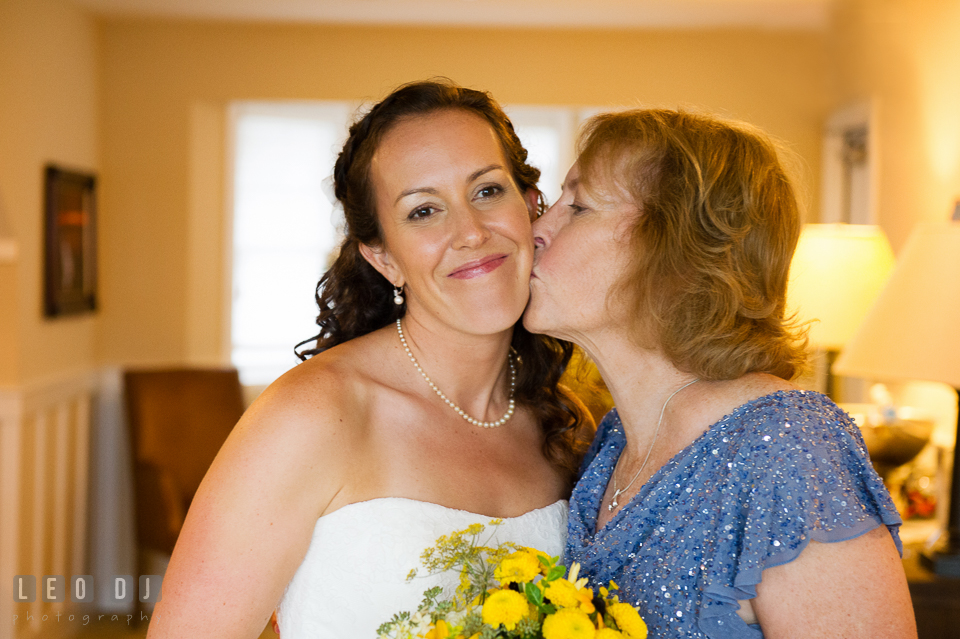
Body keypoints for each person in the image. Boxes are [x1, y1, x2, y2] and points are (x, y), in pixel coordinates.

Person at [147, 80, 589, 639]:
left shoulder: (563, 419)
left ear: (530, 208)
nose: (471, 233)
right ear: (383, 258)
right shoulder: (311, 416)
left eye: (486, 192)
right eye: (424, 210)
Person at [524, 109, 916, 638]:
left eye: (577, 206)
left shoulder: (788, 450)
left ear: (672, 252)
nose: (536, 230)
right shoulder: (613, 441)